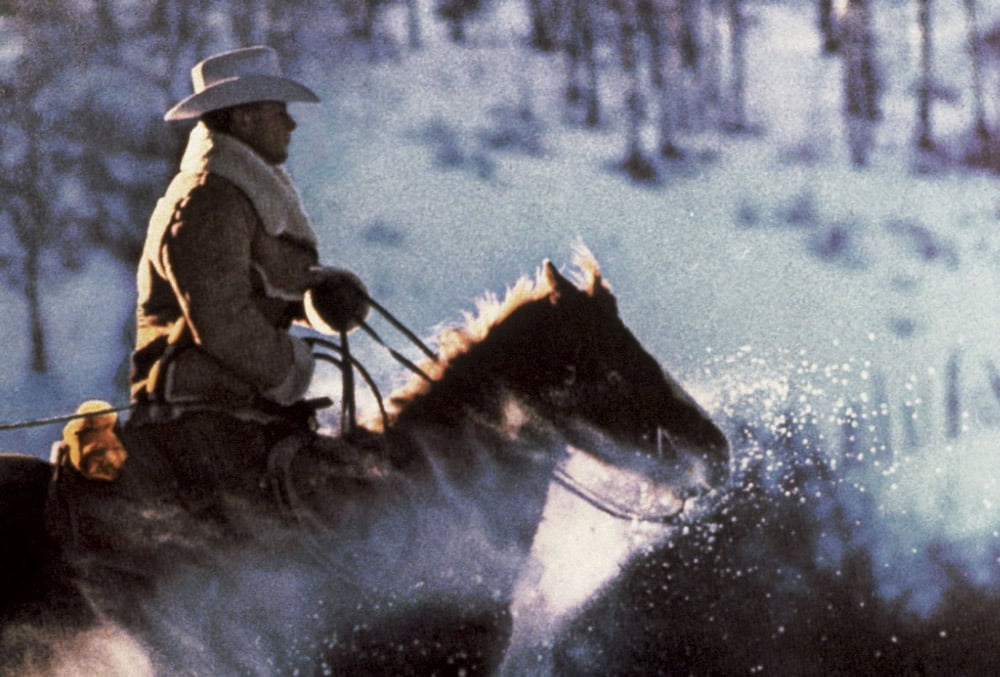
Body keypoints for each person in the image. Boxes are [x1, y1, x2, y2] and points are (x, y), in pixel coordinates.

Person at [123, 46, 371, 513]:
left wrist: (323, 298)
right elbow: (222, 322)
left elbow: (269, 290)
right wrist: (291, 366)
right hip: (198, 417)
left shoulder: (236, 195)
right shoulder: (207, 203)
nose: (291, 125)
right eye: (279, 113)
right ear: (243, 118)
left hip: (238, 408)